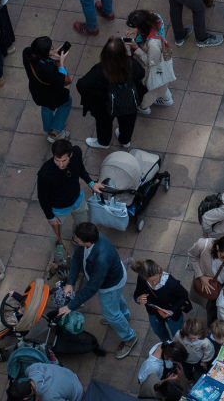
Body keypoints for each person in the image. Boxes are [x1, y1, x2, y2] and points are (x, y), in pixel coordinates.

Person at [61, 222, 140, 358]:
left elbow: (92, 286)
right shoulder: (91, 237)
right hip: (114, 277)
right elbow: (77, 258)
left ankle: (129, 337)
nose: (75, 240)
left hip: (110, 285)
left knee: (111, 313)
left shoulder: (101, 258)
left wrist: (70, 306)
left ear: (87, 242)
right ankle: (124, 315)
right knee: (116, 299)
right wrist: (70, 282)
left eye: (77, 239)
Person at [78, 36, 145, 150]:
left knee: (104, 123)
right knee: (128, 122)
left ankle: (104, 143)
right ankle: (125, 141)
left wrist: (98, 95)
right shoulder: (130, 63)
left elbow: (82, 85)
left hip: (105, 104)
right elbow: (141, 73)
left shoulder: (100, 70)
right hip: (129, 101)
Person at [38, 138, 103, 254]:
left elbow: (81, 169)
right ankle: (58, 257)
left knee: (82, 226)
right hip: (58, 209)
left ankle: (77, 239)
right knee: (55, 237)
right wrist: (50, 217)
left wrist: (91, 183)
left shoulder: (76, 153)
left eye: (64, 160)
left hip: (78, 200)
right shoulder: (45, 173)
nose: (60, 165)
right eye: (57, 160)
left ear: (71, 155)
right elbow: (42, 198)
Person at [130, 258, 192, 343]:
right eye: (150, 281)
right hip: (153, 314)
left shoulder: (171, 283)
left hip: (172, 316)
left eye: (156, 279)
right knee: (159, 333)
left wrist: (171, 311)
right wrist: (138, 299)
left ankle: (176, 347)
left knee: (177, 337)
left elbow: (184, 295)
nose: (154, 283)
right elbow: (137, 292)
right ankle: (167, 346)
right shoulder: (142, 278)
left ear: (160, 273)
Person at [24, 37, 74, 141]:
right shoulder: (47, 70)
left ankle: (48, 129)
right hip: (51, 94)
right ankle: (55, 132)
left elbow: (39, 58)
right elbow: (60, 81)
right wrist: (61, 63)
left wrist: (50, 53)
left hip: (37, 91)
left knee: (46, 108)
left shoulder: (27, 53)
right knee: (67, 102)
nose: (52, 49)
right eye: (50, 48)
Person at [7, 364, 85, 401]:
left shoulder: (49, 397)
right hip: (71, 375)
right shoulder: (32, 369)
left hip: (78, 392)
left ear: (26, 398)